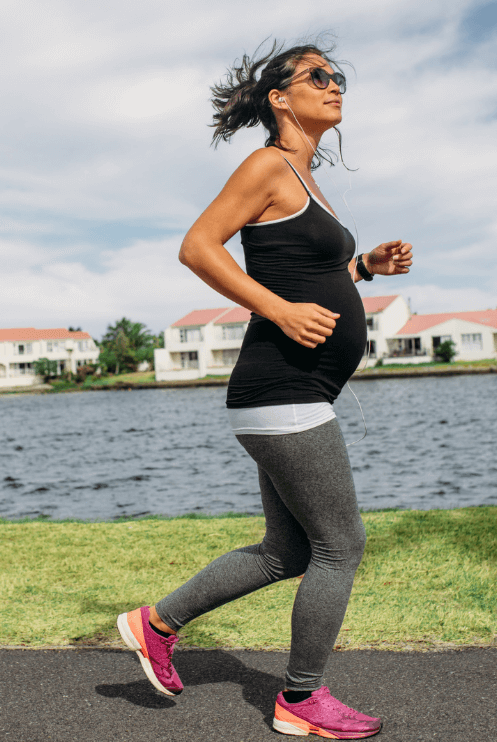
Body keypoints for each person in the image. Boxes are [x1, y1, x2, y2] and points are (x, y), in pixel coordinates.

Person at [117, 40, 413, 739]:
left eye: (339, 76)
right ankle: (301, 699)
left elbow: (307, 273)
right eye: (318, 76)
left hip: (290, 393)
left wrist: (363, 267)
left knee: (290, 551)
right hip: (283, 388)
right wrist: (276, 311)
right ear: (280, 97)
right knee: (342, 544)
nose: (335, 85)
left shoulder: (305, 180)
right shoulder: (266, 165)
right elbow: (198, 246)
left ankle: (155, 624)